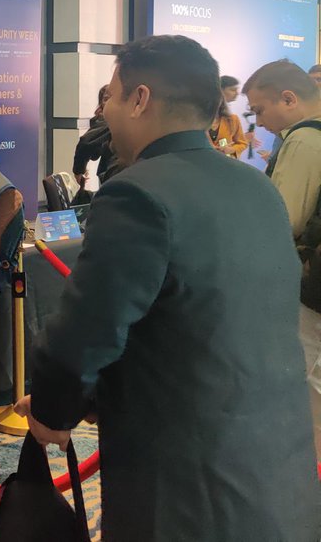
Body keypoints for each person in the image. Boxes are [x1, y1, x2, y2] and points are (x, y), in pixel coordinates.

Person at [19, 36, 319, 542]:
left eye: (110, 97)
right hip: (277, 473)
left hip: (186, 487)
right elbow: (197, 318)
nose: (105, 113)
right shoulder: (257, 189)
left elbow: (87, 332)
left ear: (139, 99)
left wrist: (53, 410)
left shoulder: (137, 193)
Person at [243, 59, 321, 458]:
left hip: (313, 289)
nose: (260, 121)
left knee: (308, 388)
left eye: (259, 110)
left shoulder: (304, 139)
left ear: (288, 99)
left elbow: (285, 219)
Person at [73, 85, 117, 188]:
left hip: (112, 174)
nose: (109, 102)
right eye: (106, 99)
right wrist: (79, 170)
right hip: (113, 176)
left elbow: (95, 152)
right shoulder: (109, 119)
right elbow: (85, 142)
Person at [209, 74, 247, 158]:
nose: (237, 93)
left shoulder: (233, 119)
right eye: (233, 90)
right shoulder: (199, 118)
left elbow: (242, 143)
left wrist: (231, 149)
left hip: (224, 164)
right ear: (220, 90)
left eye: (237, 90)